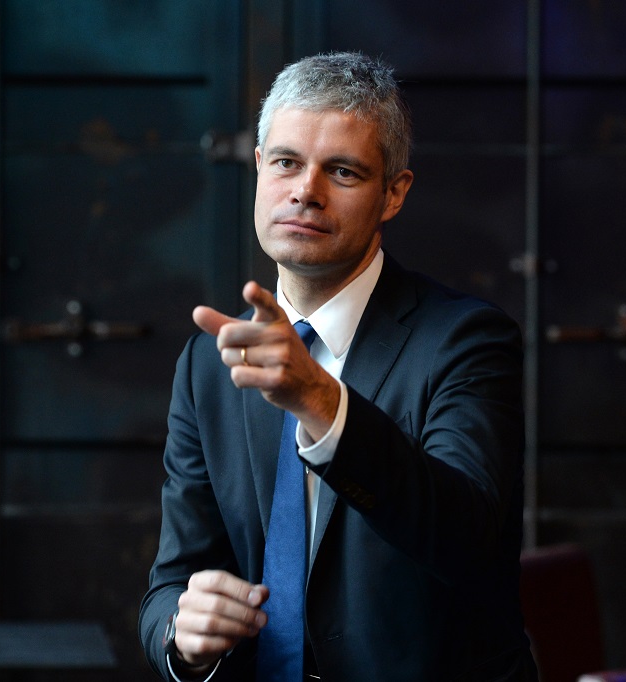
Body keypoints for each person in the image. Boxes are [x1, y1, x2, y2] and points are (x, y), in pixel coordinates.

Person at [139, 51, 536, 681]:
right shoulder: (210, 363)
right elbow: (172, 585)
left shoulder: (466, 340)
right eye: (286, 162)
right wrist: (182, 635)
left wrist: (322, 403)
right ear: (260, 170)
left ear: (393, 194)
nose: (306, 191)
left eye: (343, 172)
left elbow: (473, 541)